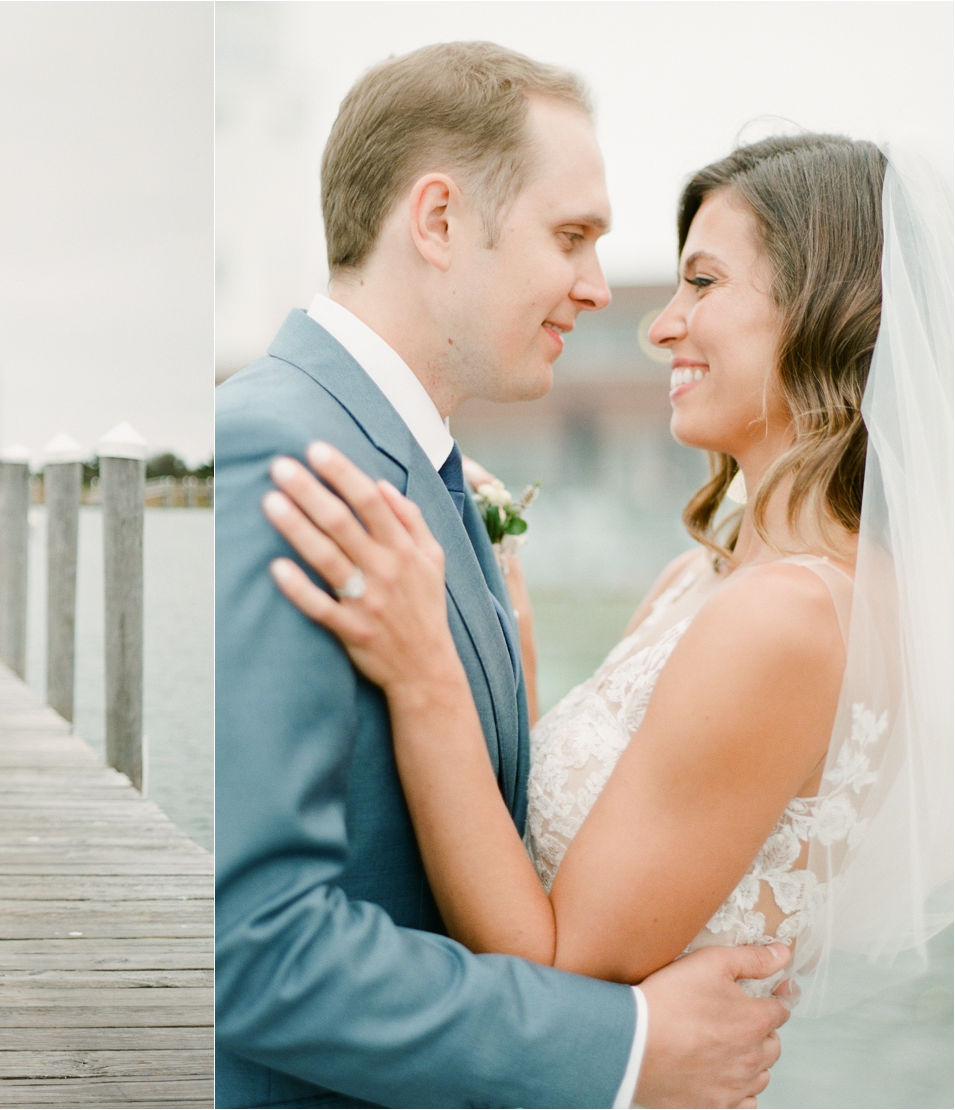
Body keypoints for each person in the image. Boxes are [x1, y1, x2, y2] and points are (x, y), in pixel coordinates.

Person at [264, 123, 951, 1105]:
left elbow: (555, 975)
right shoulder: (701, 580)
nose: (661, 326)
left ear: (825, 311)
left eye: (703, 283)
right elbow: (571, 842)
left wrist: (424, 675)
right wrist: (505, 634)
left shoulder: (790, 617)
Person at [216, 42, 797, 1109]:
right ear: (438, 221)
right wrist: (620, 1048)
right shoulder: (284, 457)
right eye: (571, 237)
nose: (597, 288)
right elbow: (255, 950)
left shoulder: (418, 470)